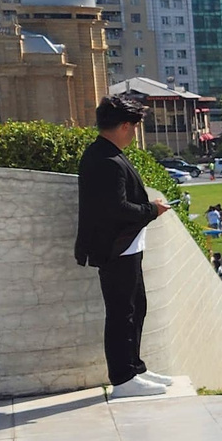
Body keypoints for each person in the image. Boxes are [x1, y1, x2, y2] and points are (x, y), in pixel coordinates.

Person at [74, 96, 184, 399]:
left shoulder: (108, 154)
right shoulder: (106, 161)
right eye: (134, 127)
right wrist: (153, 210)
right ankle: (122, 378)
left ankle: (135, 368)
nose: (135, 133)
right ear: (125, 126)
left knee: (136, 308)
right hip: (114, 248)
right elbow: (117, 208)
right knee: (122, 312)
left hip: (126, 246)